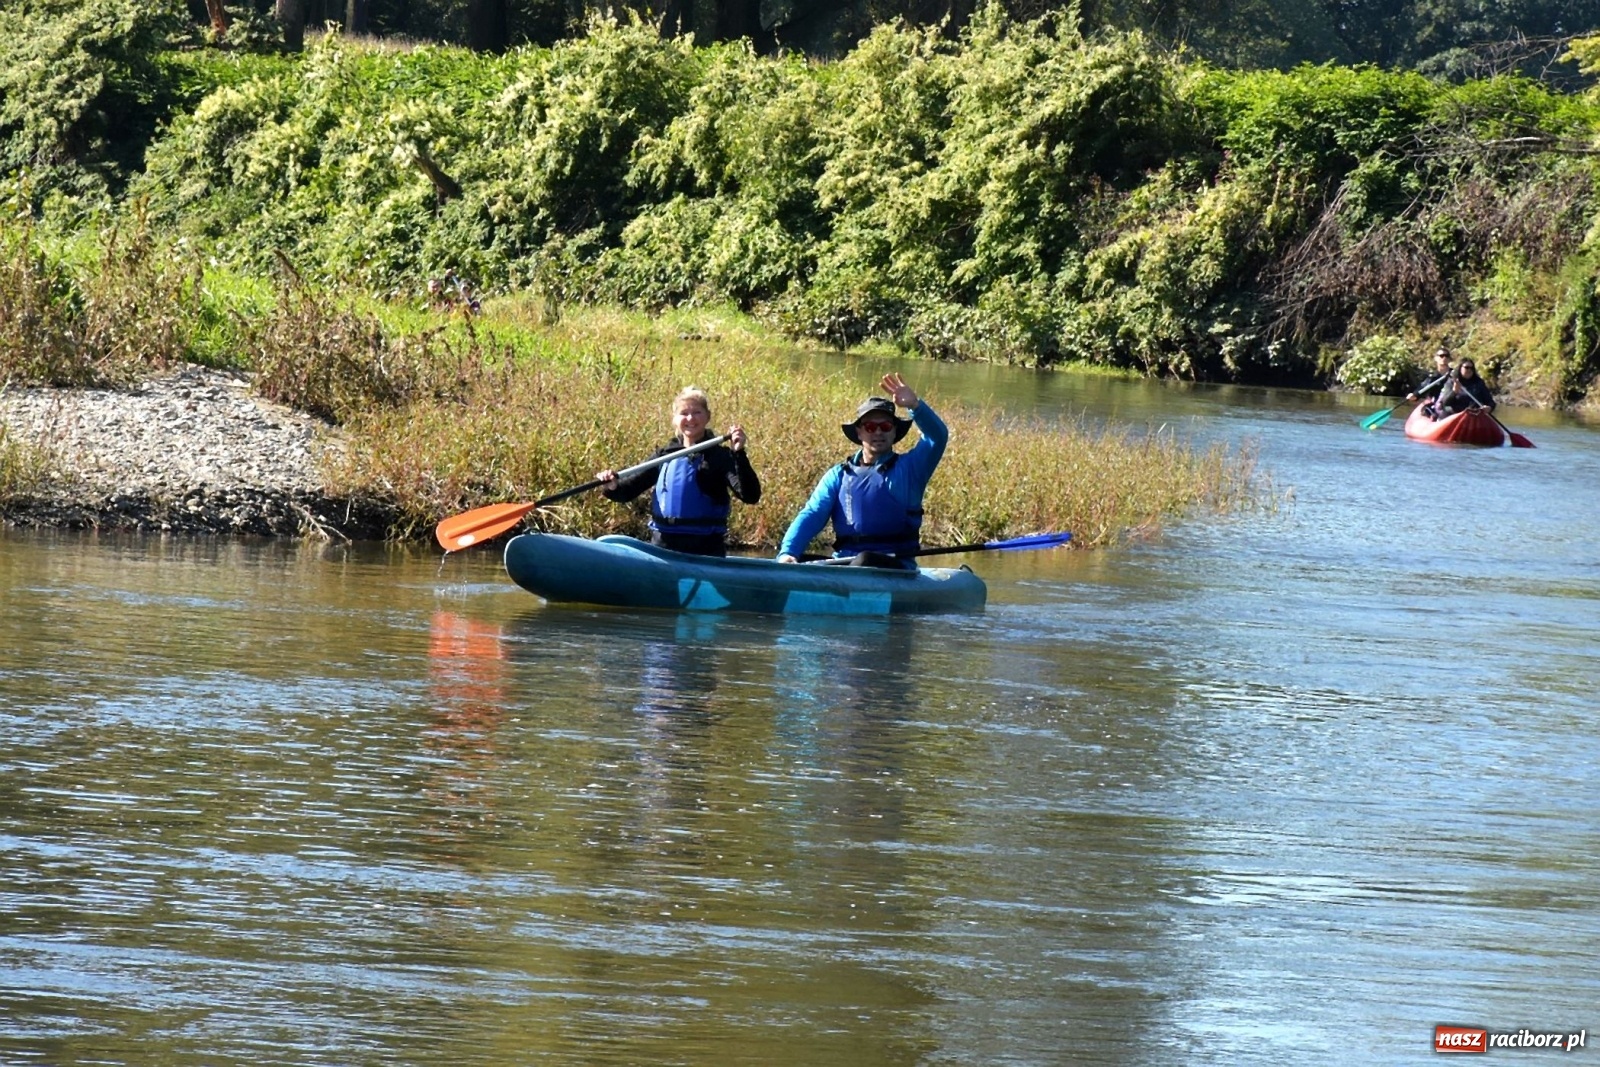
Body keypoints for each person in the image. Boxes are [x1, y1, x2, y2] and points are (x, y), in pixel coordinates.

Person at [777, 373, 947, 566]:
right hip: (846, 563)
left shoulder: (911, 469)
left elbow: (937, 437)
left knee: (864, 560)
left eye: (885, 426)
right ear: (859, 432)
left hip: (896, 566)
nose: (878, 432)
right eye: (870, 427)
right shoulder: (838, 476)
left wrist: (914, 406)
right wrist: (788, 553)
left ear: (894, 431)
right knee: (801, 561)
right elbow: (813, 514)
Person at [598, 386, 760, 557]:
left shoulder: (720, 457)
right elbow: (627, 491)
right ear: (675, 419)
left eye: (697, 412)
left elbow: (750, 495)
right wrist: (612, 486)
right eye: (684, 413)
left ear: (707, 417)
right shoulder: (665, 455)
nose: (690, 418)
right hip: (663, 547)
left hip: (705, 549)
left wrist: (739, 453)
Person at [1407, 347, 1454, 417]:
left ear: (1449, 359)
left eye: (1446, 356)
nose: (1444, 358)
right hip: (1437, 403)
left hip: (1452, 404)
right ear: (1436, 358)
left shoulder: (1455, 374)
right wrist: (1415, 395)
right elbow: (1423, 387)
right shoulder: (1432, 377)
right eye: (1441, 356)